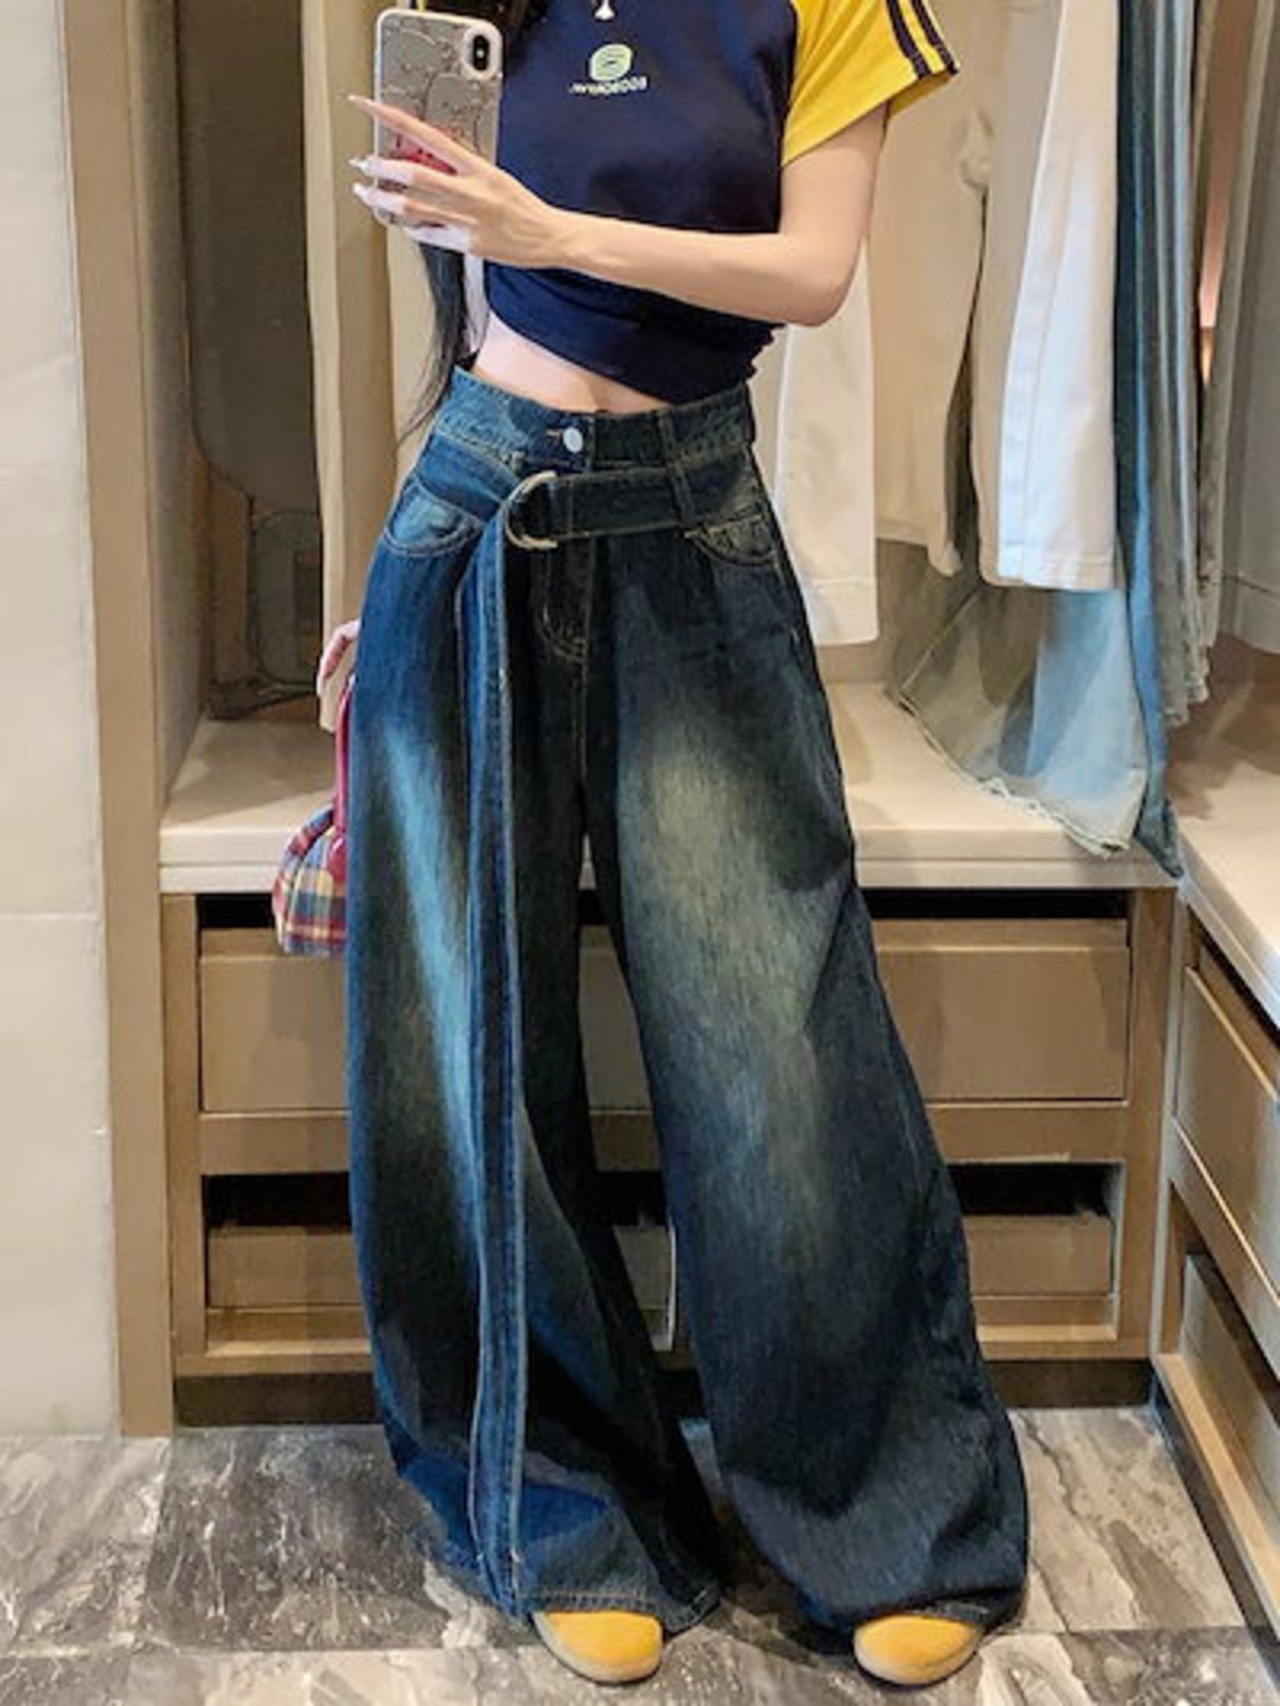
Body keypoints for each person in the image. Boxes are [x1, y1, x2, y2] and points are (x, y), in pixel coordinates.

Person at [320, 0, 1030, 1688]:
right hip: (476, 518)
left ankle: (890, 1515)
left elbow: (811, 273)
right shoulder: (492, 7)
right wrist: (390, 575)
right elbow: (465, 310)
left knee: (775, 1040)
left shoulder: (824, 8)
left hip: (690, 519)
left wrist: (546, 229)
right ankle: (565, 1508)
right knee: (469, 1045)